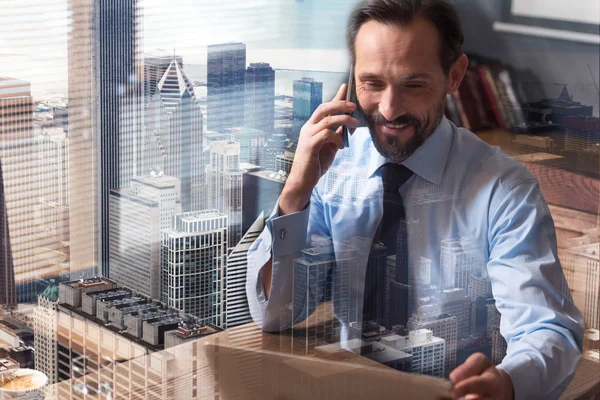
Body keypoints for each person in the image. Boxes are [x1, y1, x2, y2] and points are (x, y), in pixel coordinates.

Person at [246, 0, 584, 399]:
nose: (389, 110)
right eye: (372, 83)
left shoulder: (504, 192)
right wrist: (295, 193)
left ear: (454, 76)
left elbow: (546, 329)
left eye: (413, 85)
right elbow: (277, 314)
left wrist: (508, 384)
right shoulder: (333, 168)